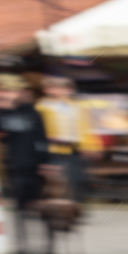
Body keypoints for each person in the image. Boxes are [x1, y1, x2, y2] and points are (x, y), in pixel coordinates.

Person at [0, 79, 53, 254]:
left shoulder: (34, 114)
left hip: (32, 168)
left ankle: (42, 249)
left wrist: (45, 163)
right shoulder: (8, 114)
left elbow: (42, 139)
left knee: (36, 209)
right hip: (19, 167)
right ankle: (26, 249)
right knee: (22, 210)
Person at [34, 76, 98, 214]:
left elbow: (86, 128)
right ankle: (55, 209)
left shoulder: (78, 106)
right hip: (53, 149)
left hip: (76, 147)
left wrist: (92, 146)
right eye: (55, 88)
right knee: (56, 181)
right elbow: (38, 129)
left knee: (77, 179)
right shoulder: (42, 106)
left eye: (65, 88)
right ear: (47, 90)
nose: (61, 91)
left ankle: (75, 208)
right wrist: (48, 139)